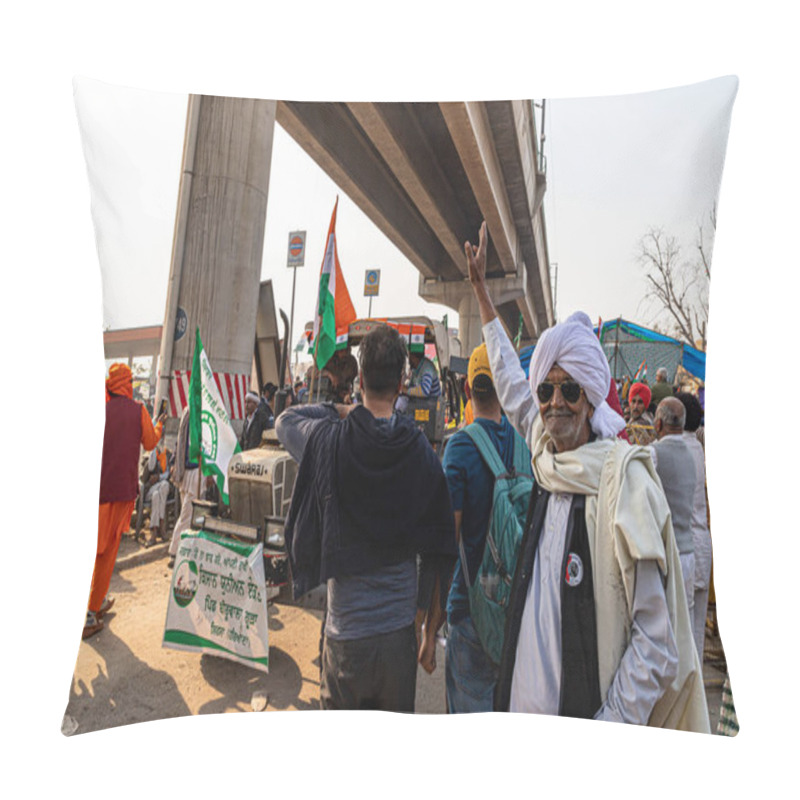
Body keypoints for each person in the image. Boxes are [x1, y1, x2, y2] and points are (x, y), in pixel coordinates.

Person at [464, 220, 708, 730]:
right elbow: (512, 383)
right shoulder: (547, 457)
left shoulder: (624, 480)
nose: (554, 403)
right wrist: (484, 294)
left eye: (570, 390)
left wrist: (610, 726)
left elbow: (655, 639)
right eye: (547, 389)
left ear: (592, 398)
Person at [276, 324, 456, 712]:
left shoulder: (328, 441)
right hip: (397, 640)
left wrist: (342, 408)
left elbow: (285, 421)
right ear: (403, 381)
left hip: (345, 638)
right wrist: (429, 630)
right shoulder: (421, 453)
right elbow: (442, 548)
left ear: (359, 379)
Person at [443, 342, 531, 712]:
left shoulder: (459, 448)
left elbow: (449, 538)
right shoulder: (526, 443)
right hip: (519, 611)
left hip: (471, 609)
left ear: (466, 390)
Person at [85, 363, 165, 639]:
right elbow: (151, 442)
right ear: (127, 384)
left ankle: (97, 600)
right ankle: (90, 612)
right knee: (105, 554)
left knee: (94, 549)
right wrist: (159, 425)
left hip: (96, 491)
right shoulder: (137, 410)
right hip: (119, 493)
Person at [651, 397, 697, 624]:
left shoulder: (654, 454)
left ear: (658, 424)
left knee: (664, 624)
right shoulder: (692, 455)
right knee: (683, 626)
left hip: (668, 554)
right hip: (689, 553)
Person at [676, 391, 712, 664]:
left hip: (686, 547)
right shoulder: (698, 447)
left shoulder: (678, 449)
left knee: (682, 629)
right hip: (703, 545)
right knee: (696, 628)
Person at [168, 405, 202, 570]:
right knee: (186, 514)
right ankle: (176, 551)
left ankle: (179, 551)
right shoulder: (188, 412)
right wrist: (174, 461)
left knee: (189, 514)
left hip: (198, 471)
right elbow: (180, 440)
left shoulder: (205, 413)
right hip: (186, 470)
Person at [141, 441, 173, 547]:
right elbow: (144, 478)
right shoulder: (149, 455)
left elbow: (169, 475)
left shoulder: (167, 455)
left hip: (160, 490)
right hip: (149, 489)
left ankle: (154, 531)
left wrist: (159, 477)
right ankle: (162, 526)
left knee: (159, 492)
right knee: (162, 486)